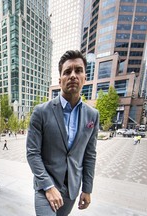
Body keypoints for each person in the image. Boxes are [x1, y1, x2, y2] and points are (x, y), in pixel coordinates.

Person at [26, 50, 99, 216]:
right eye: (67, 72)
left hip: (72, 189)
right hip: (45, 187)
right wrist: (49, 187)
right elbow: (32, 153)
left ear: (84, 78)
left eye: (78, 70)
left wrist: (87, 189)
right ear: (60, 80)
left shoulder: (92, 115)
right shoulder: (41, 112)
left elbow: (90, 155)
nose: (73, 75)